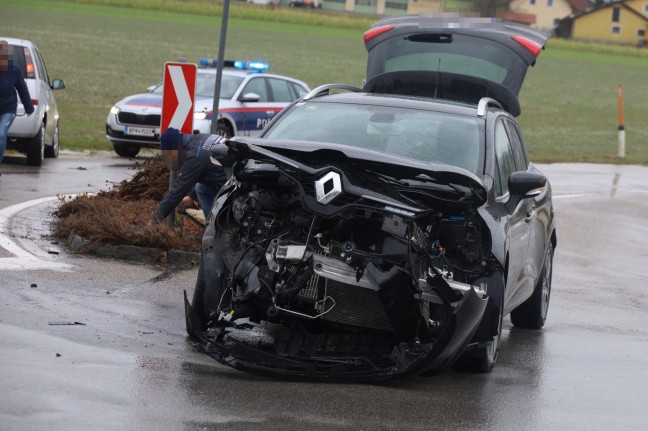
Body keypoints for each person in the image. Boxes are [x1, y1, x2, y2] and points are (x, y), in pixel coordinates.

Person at [146, 127, 227, 230]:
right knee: (201, 189)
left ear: (174, 149)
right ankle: (216, 226)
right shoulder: (200, 139)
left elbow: (177, 192)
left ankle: (216, 232)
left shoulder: (195, 156)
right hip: (234, 174)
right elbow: (204, 170)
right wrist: (192, 196)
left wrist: (154, 220)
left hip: (236, 183)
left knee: (202, 189)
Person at [0, 40, 34, 174]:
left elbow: (22, 89)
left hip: (8, 109)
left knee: (1, 133)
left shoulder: (14, 70)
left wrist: (29, 107)